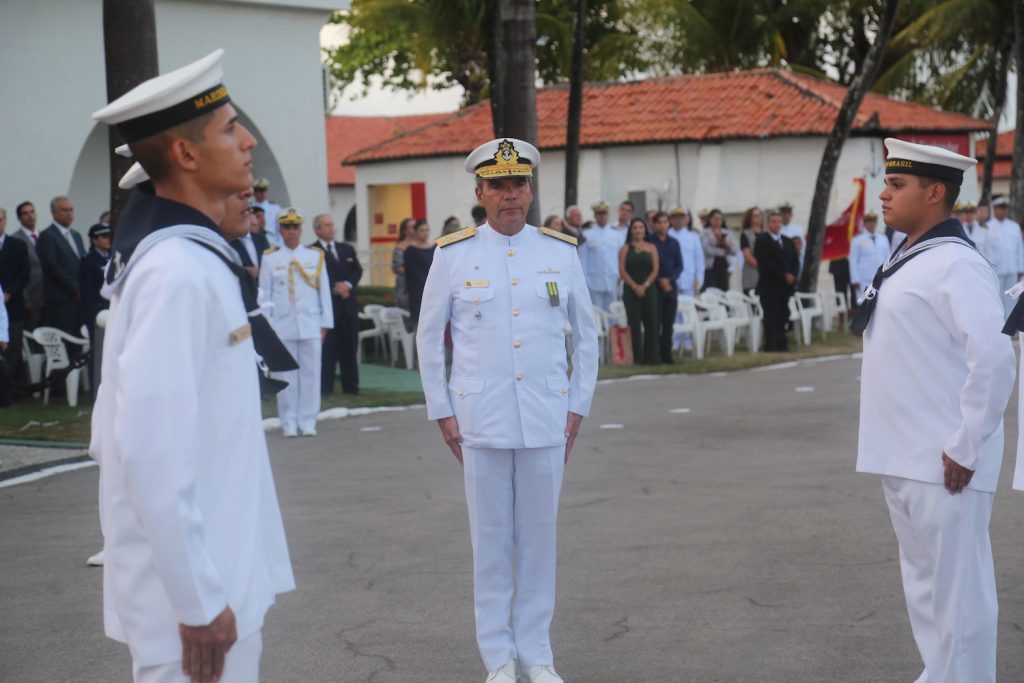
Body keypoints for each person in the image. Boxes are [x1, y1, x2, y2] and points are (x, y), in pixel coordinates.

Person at [90, 48, 295, 683]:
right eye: (230, 128)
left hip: (221, 576)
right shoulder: (176, 274)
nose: (248, 139)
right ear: (184, 156)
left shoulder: (194, 261)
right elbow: (145, 448)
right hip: (194, 610)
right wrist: (198, 599)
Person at [416, 137, 597, 683]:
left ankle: (537, 654)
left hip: (545, 416)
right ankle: (497, 657)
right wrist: (441, 409)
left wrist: (578, 405)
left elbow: (586, 338)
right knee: (490, 542)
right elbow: (428, 338)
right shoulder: (453, 255)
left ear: (530, 190)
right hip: (481, 420)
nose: (510, 195)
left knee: (539, 541)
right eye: (498, 186)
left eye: (518, 184)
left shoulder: (560, 253)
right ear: (481, 193)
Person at [851, 138, 1014, 683]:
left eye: (897, 185)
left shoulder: (957, 264)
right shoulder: (908, 258)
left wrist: (966, 444)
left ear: (936, 191)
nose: (884, 194)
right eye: (888, 183)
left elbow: (992, 358)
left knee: (961, 603)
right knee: (927, 599)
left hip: (946, 461)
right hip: (903, 457)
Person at [260, 208, 333, 437]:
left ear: (301, 230)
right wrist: (268, 327)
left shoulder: (314, 256)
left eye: (295, 227)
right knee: (285, 375)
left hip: (310, 323)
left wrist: (325, 323)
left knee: (311, 373)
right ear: (280, 230)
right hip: (282, 326)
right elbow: (265, 295)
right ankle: (289, 421)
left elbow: (324, 293)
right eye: (286, 227)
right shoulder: (270, 258)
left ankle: (308, 420)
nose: (291, 232)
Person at [311, 212, 362, 396]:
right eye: (326, 225)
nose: (331, 228)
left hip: (348, 309)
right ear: (317, 229)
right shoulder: (312, 251)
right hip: (328, 309)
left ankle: (351, 388)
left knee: (349, 349)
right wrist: (334, 287)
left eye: (332, 225)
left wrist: (347, 285)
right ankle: (326, 389)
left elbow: (357, 270)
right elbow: (314, 275)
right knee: (328, 352)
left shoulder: (346, 249)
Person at [36, 195, 85, 337]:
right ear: (54, 213)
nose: (69, 213)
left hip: (78, 301)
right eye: (64, 210)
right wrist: (74, 289)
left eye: (71, 210)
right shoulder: (47, 236)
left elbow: (82, 262)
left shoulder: (76, 235)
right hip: (60, 301)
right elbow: (53, 267)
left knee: (77, 340)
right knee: (63, 339)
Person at [754, 211, 798, 352]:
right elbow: (766, 263)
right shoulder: (762, 240)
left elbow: (795, 260)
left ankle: (781, 341)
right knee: (771, 315)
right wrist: (783, 275)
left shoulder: (787, 241)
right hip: (769, 286)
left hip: (784, 287)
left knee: (783, 313)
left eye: (779, 221)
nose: (777, 224)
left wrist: (792, 274)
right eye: (773, 221)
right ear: (768, 223)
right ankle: (770, 343)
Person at [619, 217, 660, 365]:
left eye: (641, 227)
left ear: (645, 230)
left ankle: (652, 357)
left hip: (649, 289)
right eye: (635, 227)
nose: (638, 230)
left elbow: (655, 269)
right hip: (631, 290)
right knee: (634, 324)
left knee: (652, 322)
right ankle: (637, 358)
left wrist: (645, 285)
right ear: (631, 231)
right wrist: (635, 286)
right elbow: (622, 270)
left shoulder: (652, 247)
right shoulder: (625, 248)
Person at [79, 223, 112, 392]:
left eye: (109, 236)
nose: (108, 240)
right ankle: (96, 387)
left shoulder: (112, 258)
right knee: (98, 351)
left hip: (112, 311)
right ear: (94, 240)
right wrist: (93, 316)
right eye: (104, 237)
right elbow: (87, 292)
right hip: (98, 313)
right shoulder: (89, 260)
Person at [0, 208, 29, 384]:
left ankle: (9, 388)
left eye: (1, 219)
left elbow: (24, 274)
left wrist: (9, 292)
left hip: (13, 305)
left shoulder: (18, 245)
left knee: (13, 348)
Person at [649, 211, 682, 364]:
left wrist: (669, 280)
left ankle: (667, 355)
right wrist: (660, 280)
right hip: (655, 286)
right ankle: (654, 355)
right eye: (659, 222)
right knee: (655, 322)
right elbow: (649, 266)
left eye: (665, 222)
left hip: (670, 286)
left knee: (669, 323)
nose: (662, 225)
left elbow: (679, 266)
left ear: (668, 224)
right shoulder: (650, 242)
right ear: (654, 224)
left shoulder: (674, 243)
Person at [578, 201, 622, 311]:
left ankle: (612, 328)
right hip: (593, 279)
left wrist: (620, 275)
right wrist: (585, 278)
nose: (602, 216)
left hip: (612, 277)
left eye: (604, 214)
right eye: (599, 214)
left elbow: (620, 257)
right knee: (596, 311)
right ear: (595, 216)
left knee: (613, 310)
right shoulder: (587, 233)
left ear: (608, 215)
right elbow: (583, 258)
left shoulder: (617, 234)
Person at [987, 195, 1024, 314]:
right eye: (1000, 208)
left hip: (1012, 268)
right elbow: (987, 251)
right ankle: (999, 326)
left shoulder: (1014, 226)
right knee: (997, 298)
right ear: (994, 209)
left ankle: (1010, 328)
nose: (1003, 211)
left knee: (1012, 298)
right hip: (996, 269)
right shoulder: (988, 226)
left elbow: (1019, 248)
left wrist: (1021, 268)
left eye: (1005, 208)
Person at [11, 201, 44, 329]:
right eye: (25, 213)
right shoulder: (15, 240)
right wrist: (25, 296)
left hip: (47, 294)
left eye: (32, 212)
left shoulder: (44, 236)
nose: (30, 216)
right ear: (19, 218)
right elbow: (16, 271)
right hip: (30, 294)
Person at [849, 211, 891, 303]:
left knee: (881, 304)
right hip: (864, 279)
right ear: (864, 223)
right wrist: (855, 279)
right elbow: (853, 260)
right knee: (865, 305)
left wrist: (889, 275)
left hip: (881, 277)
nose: (872, 224)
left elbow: (888, 257)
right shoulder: (857, 240)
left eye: (874, 221)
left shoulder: (883, 238)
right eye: (869, 221)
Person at [228, 194, 270, 282]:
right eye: (251, 225)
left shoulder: (261, 239)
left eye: (255, 225)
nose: (252, 227)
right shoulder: (230, 239)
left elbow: (269, 260)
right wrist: (244, 271)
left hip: (262, 285)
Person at [403, 219, 435, 330]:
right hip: (418, 294)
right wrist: (429, 284)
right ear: (416, 232)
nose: (425, 233)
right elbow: (412, 273)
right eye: (422, 230)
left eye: (427, 230)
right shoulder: (411, 250)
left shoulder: (434, 248)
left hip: (434, 293)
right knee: (420, 326)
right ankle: (418, 348)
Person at [668, 207, 704, 297]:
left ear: (686, 220)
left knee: (688, 309)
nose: (679, 220)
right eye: (676, 217)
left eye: (682, 217)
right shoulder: (666, 235)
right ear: (671, 219)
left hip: (689, 280)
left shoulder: (694, 237)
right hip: (670, 281)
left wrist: (699, 278)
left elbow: (699, 260)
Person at [701, 209, 736, 291]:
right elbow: (707, 250)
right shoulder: (705, 233)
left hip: (724, 266)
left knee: (724, 290)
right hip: (711, 266)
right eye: (715, 219)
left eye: (720, 219)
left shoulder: (727, 233)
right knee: (711, 290)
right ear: (710, 220)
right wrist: (723, 250)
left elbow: (735, 250)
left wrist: (726, 243)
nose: (718, 221)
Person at [392, 217, 416, 313]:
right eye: (412, 227)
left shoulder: (421, 244)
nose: (415, 229)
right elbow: (397, 267)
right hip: (405, 287)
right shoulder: (400, 247)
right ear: (405, 231)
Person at [739, 207, 763, 294]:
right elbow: (748, 257)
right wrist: (764, 266)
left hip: (766, 278)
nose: (758, 217)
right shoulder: (745, 234)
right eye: (755, 216)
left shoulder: (766, 233)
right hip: (751, 277)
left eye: (760, 215)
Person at [252, 177, 281, 245]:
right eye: (259, 191)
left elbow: (279, 228)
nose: (262, 193)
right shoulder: (250, 207)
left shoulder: (275, 208)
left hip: (272, 241)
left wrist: (280, 244)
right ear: (255, 192)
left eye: (264, 190)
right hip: (255, 240)